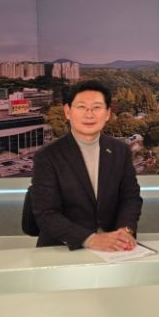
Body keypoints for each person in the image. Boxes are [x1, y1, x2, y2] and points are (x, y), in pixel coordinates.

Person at [30, 80, 142, 251]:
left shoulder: (120, 150)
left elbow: (130, 197)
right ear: (68, 111)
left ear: (107, 113)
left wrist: (125, 230)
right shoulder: (47, 156)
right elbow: (46, 213)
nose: (89, 114)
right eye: (82, 107)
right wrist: (90, 239)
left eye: (96, 107)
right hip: (64, 248)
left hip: (114, 247)